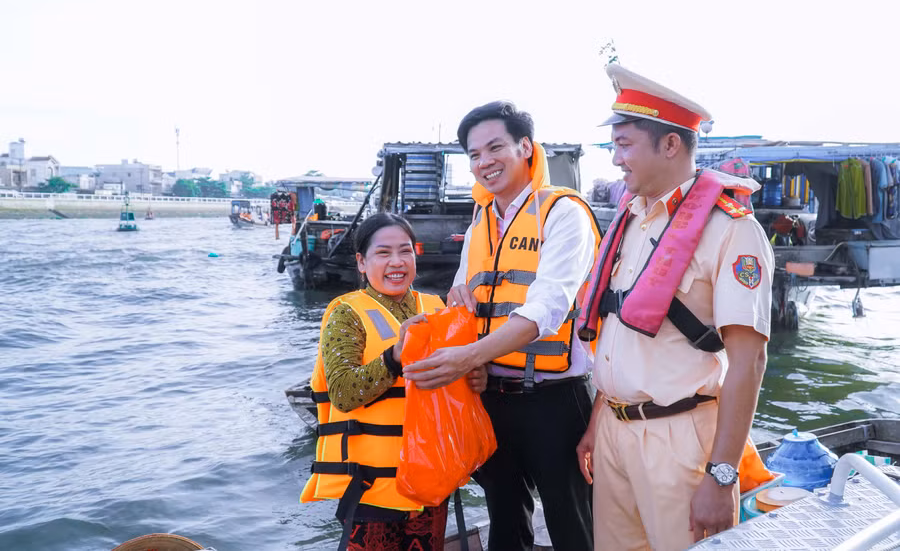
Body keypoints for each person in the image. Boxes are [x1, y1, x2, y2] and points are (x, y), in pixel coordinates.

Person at [576, 64, 773, 551]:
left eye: (624, 145)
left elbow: (748, 360)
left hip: (679, 440)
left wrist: (722, 476)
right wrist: (597, 424)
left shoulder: (730, 229)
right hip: (614, 434)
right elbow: (619, 330)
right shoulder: (631, 220)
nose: (616, 161)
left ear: (670, 145)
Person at [403, 101, 601, 550]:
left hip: (554, 400)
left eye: (495, 148)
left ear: (526, 147)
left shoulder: (563, 212)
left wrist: (467, 356)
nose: (483, 162)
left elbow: (548, 309)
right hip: (488, 395)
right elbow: (461, 297)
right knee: (504, 520)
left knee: (572, 524)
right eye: (474, 155)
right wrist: (440, 320)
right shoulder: (479, 224)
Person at [300, 212, 488, 551]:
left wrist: (475, 375)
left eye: (405, 251)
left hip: (431, 479)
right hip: (373, 489)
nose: (396, 262)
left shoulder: (435, 308)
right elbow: (342, 392)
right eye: (383, 253)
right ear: (361, 262)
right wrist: (393, 358)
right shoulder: (346, 313)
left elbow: (455, 388)